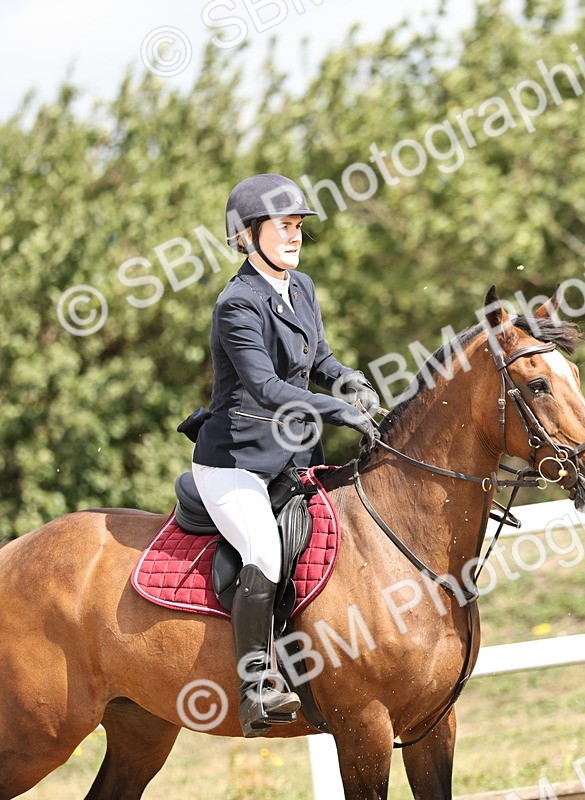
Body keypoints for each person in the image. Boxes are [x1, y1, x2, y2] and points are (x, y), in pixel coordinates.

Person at [186, 173, 379, 737]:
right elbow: (267, 387)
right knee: (265, 551)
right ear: (248, 236)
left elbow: (320, 357)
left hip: (293, 456)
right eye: (283, 227)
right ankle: (256, 686)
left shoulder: (302, 286)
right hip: (236, 462)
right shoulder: (236, 304)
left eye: (297, 226)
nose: (294, 237)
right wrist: (333, 409)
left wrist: (348, 381)